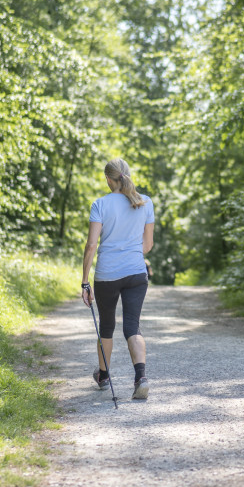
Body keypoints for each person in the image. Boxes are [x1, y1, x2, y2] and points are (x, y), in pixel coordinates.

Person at [81, 158, 155, 400]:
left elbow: (92, 245)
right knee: (132, 326)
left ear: (108, 179)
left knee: (107, 326)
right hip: (136, 272)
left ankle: (103, 376)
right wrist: (130, 251)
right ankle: (141, 378)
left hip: (108, 275)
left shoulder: (100, 204)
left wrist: (85, 281)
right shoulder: (145, 202)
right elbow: (147, 245)